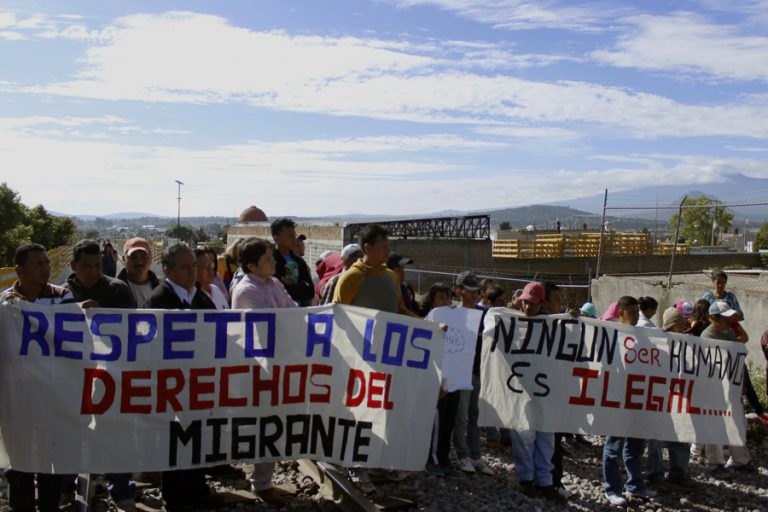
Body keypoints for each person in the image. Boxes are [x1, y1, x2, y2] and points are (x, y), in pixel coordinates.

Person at [332, 224, 415, 491]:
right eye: (383, 247)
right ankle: (356, 465)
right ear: (367, 248)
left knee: (384, 410)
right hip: (359, 358)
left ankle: (379, 461)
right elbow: (338, 315)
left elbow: (399, 309)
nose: (388, 251)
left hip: (388, 356)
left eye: (389, 246)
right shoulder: (351, 278)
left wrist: (427, 326)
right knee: (360, 411)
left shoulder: (390, 276)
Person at [62, 240, 136, 512]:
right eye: (86, 266)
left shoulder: (118, 290)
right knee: (69, 430)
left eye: (97, 265)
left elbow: (131, 331)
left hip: (110, 376)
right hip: (71, 377)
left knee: (114, 431)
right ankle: (66, 486)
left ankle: (121, 489)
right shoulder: (62, 295)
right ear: (73, 266)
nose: (93, 271)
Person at [145, 244, 219, 511]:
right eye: (186, 267)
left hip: (198, 381)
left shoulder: (201, 298)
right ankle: (175, 496)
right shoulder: (158, 300)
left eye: (194, 266)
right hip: (171, 383)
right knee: (173, 439)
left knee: (198, 436)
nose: (192, 272)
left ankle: (197, 488)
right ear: (168, 270)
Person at [0, 243, 73, 512]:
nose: (46, 268)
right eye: (38, 264)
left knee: (49, 461)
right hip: (16, 398)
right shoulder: (5, 303)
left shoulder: (62, 297)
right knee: (18, 465)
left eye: (47, 263)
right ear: (19, 270)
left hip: (51, 396)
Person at [230, 238, 296, 505]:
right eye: (268, 259)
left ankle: (265, 477)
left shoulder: (275, 283)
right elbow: (271, 326)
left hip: (278, 362)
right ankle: (262, 482)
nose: (273, 262)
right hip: (258, 367)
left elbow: (292, 311)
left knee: (274, 420)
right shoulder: (246, 290)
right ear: (251, 265)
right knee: (264, 423)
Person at [508, 282, 564, 503]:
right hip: (520, 389)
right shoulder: (510, 320)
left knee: (545, 437)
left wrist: (575, 320)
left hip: (546, 391)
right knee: (523, 436)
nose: (527, 307)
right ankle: (526, 479)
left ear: (541, 303)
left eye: (531, 303)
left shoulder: (553, 325)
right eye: (524, 302)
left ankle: (545, 481)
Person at [602, 296, 656, 506]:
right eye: (631, 312)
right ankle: (612, 489)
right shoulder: (612, 334)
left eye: (637, 311)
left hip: (638, 397)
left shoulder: (642, 335)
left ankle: (635, 485)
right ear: (621, 313)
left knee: (636, 445)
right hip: (617, 398)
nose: (635, 316)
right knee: (614, 446)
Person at [699, 301, 752, 475]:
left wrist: (741, 383)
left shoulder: (728, 332)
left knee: (737, 423)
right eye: (725, 317)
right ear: (714, 318)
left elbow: (736, 356)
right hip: (713, 388)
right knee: (714, 424)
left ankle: (740, 460)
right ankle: (715, 463)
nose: (730, 321)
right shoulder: (707, 336)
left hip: (731, 387)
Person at [451, 272, 494, 476]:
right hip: (461, 372)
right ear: (459, 291)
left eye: (476, 290)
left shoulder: (485, 314)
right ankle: (462, 455)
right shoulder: (452, 313)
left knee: (475, 417)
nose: (475, 294)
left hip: (478, 371)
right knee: (461, 417)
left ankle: (476, 456)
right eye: (470, 291)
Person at [646, 308, 691, 485]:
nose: (684, 327)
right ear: (673, 325)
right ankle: (655, 474)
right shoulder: (657, 343)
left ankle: (678, 473)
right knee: (656, 438)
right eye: (680, 324)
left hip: (679, 397)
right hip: (660, 396)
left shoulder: (687, 344)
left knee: (681, 435)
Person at [271, 218, 314, 306]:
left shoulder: (299, 261)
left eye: (294, 235)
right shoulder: (271, 261)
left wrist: (294, 286)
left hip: (297, 312)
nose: (294, 239)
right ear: (276, 238)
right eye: (289, 236)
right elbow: (276, 291)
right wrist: (298, 287)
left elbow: (310, 292)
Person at [117, 237, 160, 307]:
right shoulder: (113, 291)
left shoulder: (162, 291)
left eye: (143, 257)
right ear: (124, 259)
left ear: (151, 258)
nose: (139, 262)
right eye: (133, 257)